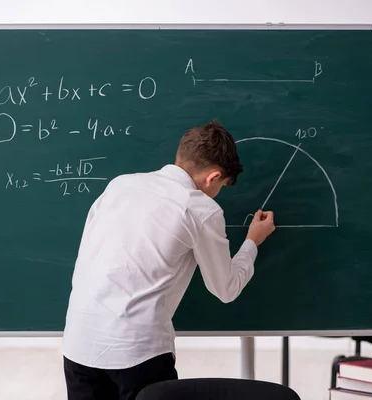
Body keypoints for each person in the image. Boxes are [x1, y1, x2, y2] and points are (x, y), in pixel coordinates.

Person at [62, 120, 276, 400]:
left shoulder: (119, 185)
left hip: (79, 342)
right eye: (221, 185)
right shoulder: (200, 208)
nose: (217, 192)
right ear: (212, 177)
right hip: (136, 353)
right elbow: (226, 289)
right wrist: (252, 242)